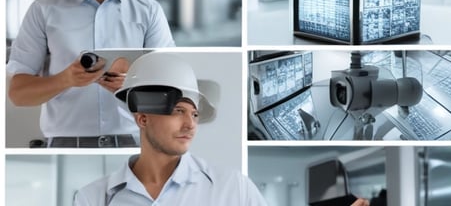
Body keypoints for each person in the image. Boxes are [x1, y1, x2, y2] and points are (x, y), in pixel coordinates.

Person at [73, 52, 372, 206]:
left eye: (194, 113)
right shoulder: (94, 198)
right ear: (142, 117)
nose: (190, 124)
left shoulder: (232, 188)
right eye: (178, 111)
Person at [6, 0, 174, 147]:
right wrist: (66, 79)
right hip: (65, 144)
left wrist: (131, 87)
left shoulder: (148, 11)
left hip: (134, 144)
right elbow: (18, 94)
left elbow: (172, 88)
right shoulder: (43, 10)